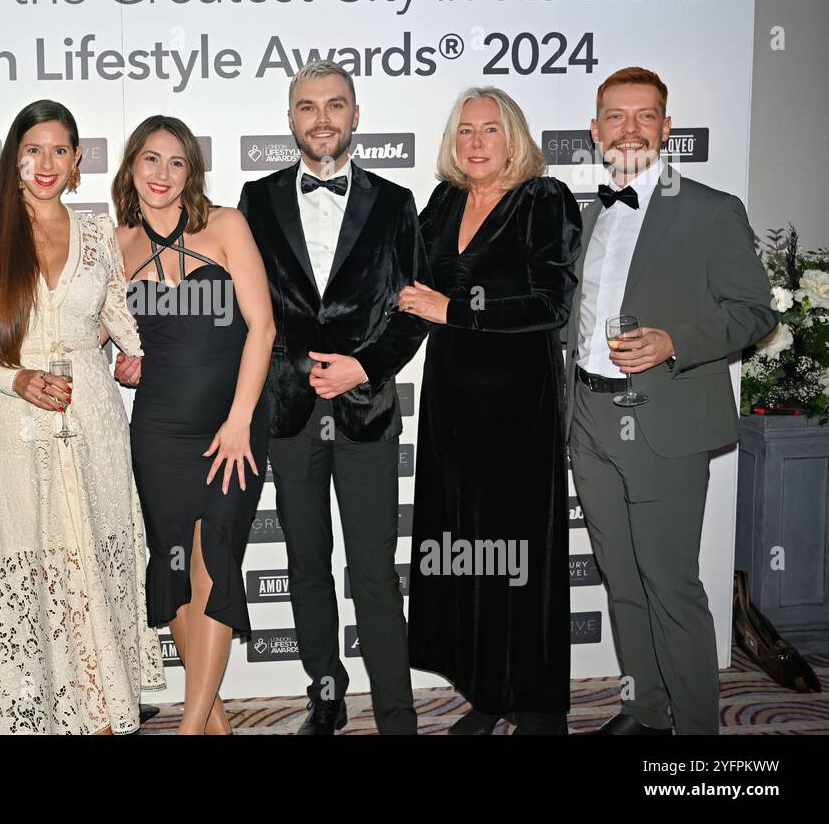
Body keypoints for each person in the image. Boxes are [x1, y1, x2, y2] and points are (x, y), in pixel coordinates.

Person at [0, 99, 164, 734]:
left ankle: (101, 711)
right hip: (12, 419)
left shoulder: (95, 232)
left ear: (77, 162)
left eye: (60, 150)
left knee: (96, 553)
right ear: (14, 157)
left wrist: (139, 353)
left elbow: (116, 314)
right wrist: (16, 379)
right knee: (24, 560)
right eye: (33, 148)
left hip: (93, 416)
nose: (46, 163)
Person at [565, 67, 775, 735]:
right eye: (615, 117)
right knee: (622, 582)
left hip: (662, 417)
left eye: (644, 116)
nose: (630, 128)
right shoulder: (587, 215)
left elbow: (754, 313)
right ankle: (643, 710)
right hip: (589, 418)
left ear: (666, 129)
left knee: (671, 588)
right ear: (596, 131)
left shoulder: (711, 210)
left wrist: (672, 341)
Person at [238, 60, 430, 735]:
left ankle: (398, 715)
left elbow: (414, 310)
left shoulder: (397, 202)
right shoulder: (254, 201)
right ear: (291, 120)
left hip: (367, 409)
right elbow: (244, 309)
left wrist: (363, 367)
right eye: (307, 106)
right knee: (307, 564)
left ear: (356, 115)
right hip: (288, 413)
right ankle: (326, 696)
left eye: (335, 105)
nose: (322, 118)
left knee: (375, 571)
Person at [398, 87, 581, 735]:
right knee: (471, 549)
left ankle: (537, 707)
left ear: (514, 139)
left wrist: (455, 310)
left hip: (517, 406)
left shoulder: (543, 200)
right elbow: (400, 272)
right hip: (452, 403)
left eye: (490, 130)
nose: (475, 142)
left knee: (522, 553)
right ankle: (489, 692)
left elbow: (550, 304)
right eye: (465, 131)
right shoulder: (446, 199)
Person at [112, 115, 274, 735]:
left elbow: (262, 327)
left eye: (176, 162)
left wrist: (239, 422)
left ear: (192, 173)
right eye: (150, 160)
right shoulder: (118, 246)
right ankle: (215, 725)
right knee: (175, 567)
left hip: (230, 427)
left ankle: (189, 726)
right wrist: (124, 358)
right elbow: (95, 330)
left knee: (214, 562)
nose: (162, 174)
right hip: (157, 430)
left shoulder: (226, 225)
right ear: (132, 167)